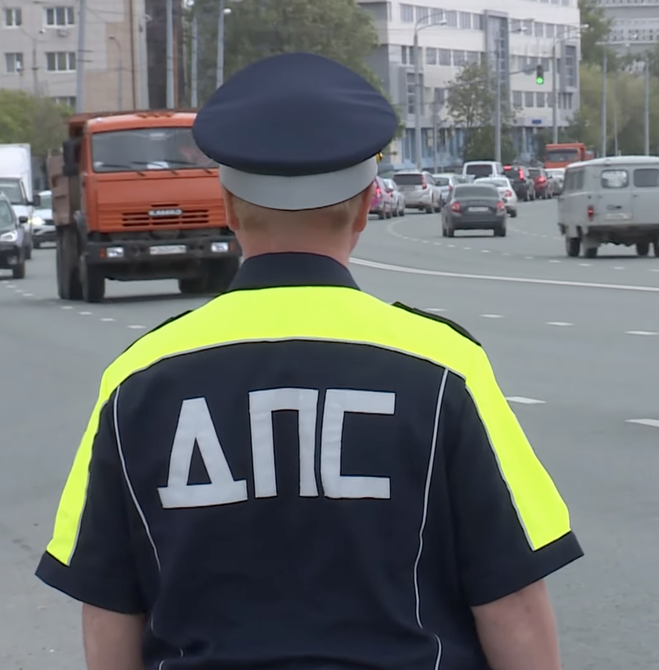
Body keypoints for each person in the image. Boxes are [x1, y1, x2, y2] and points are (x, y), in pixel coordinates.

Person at [34, 52, 583, 670]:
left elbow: (109, 610)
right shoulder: (445, 367)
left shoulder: (138, 378)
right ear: (364, 209)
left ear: (229, 208)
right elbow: (511, 601)